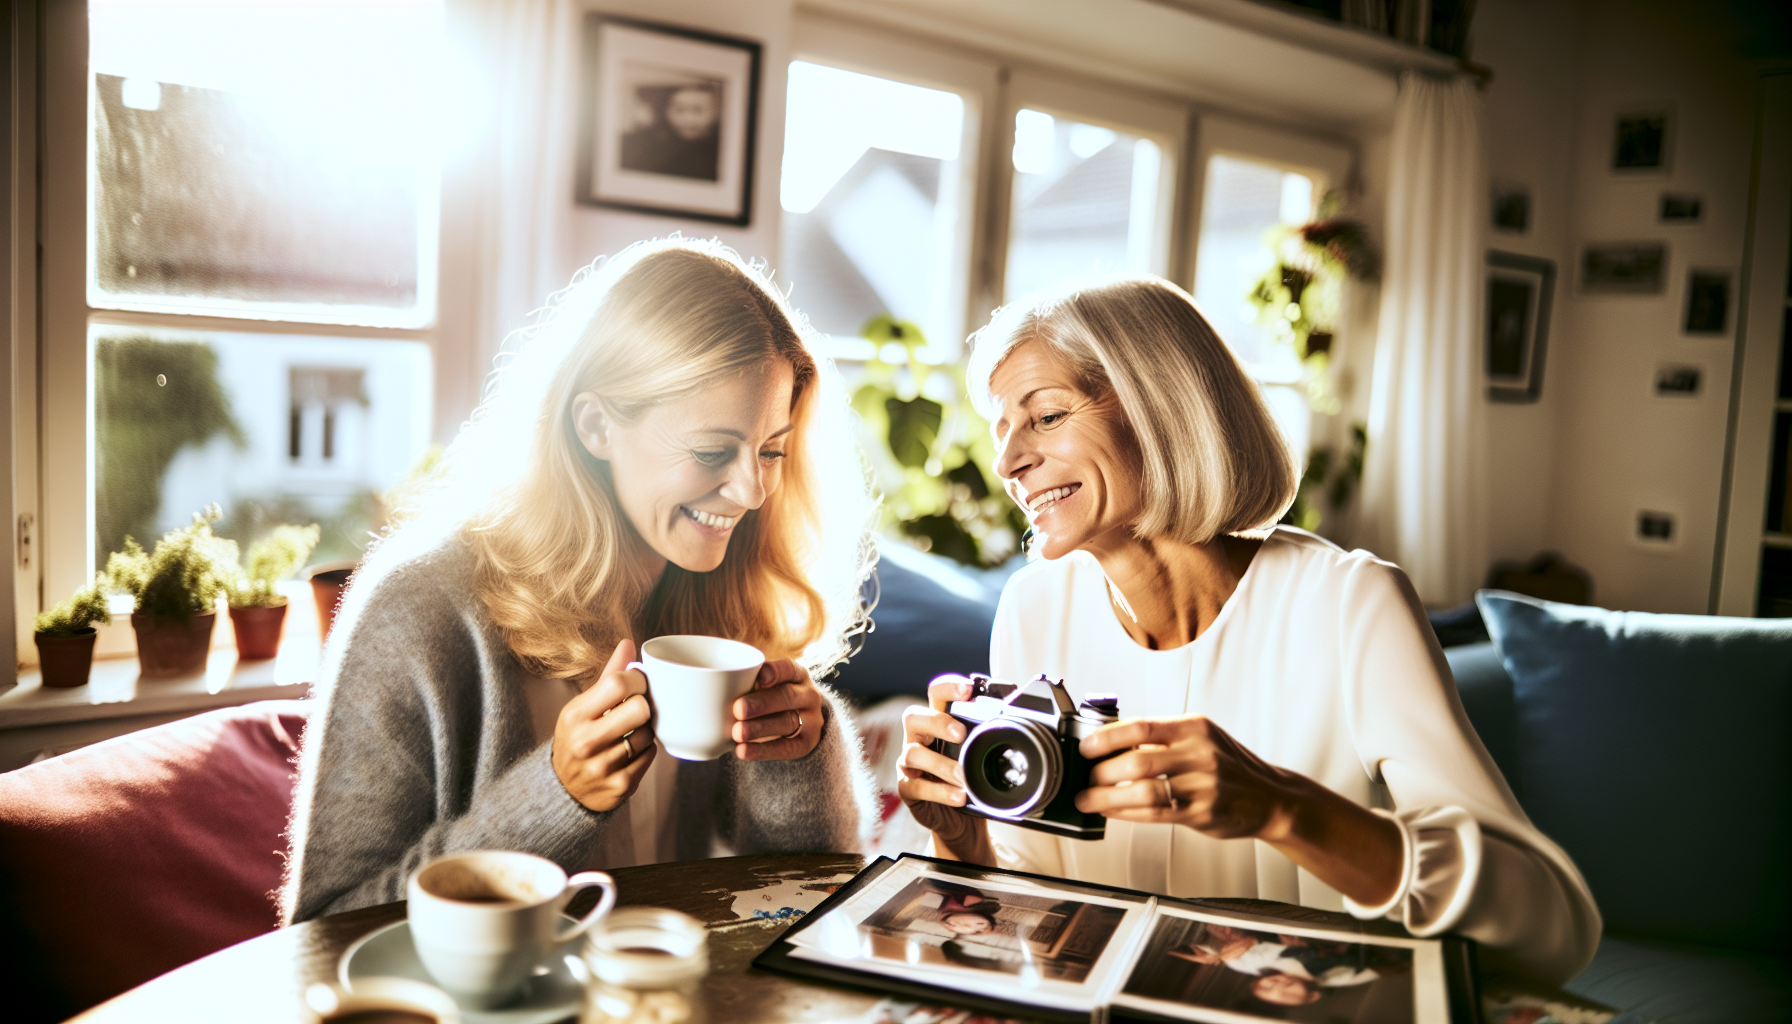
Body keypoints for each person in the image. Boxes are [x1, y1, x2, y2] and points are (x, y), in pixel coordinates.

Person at [896, 276, 1601, 983]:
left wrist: (1280, 807)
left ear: (1160, 406)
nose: (1008, 461)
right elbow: (1034, 906)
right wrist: (963, 841)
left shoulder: (1349, 603)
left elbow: (1552, 931)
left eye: (1045, 416)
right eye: (1001, 429)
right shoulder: (1033, 608)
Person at [280, 239, 877, 923]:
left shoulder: (713, 599)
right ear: (595, 425)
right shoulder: (420, 614)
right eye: (714, 450)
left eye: (772, 450)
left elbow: (809, 898)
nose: (750, 490)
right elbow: (323, 931)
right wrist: (554, 798)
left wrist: (797, 757)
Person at [619, 82, 721, 181]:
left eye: (697, 110)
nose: (688, 118)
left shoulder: (720, 148)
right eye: (679, 109)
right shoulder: (652, 143)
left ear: (715, 112)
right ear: (665, 110)